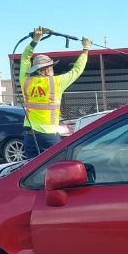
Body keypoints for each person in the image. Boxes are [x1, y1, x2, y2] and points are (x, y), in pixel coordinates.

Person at [19, 26, 91, 158]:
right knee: (57, 166)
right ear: (46, 69)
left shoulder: (25, 81)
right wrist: (85, 49)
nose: (52, 69)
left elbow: (25, 58)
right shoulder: (56, 82)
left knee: (31, 168)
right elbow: (77, 69)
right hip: (49, 136)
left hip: (29, 136)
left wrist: (35, 41)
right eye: (51, 67)